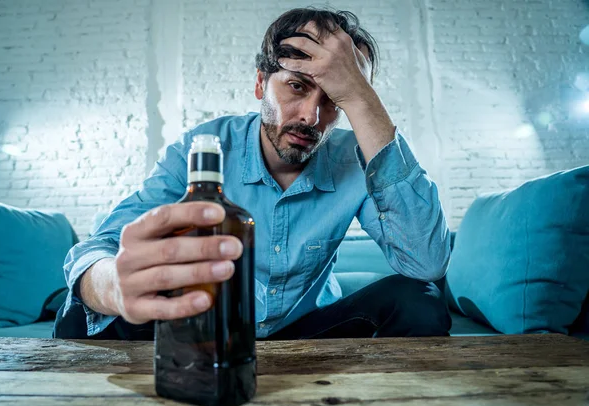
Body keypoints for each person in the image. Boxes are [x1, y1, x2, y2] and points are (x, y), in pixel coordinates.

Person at [54, 8, 452, 340]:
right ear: (261, 83)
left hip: (308, 330)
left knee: (420, 299)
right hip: (209, 325)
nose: (311, 116)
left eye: (335, 100)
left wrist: (363, 98)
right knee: (81, 311)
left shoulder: (356, 158)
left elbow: (426, 263)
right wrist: (113, 287)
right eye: (296, 86)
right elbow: (101, 245)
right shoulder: (203, 148)